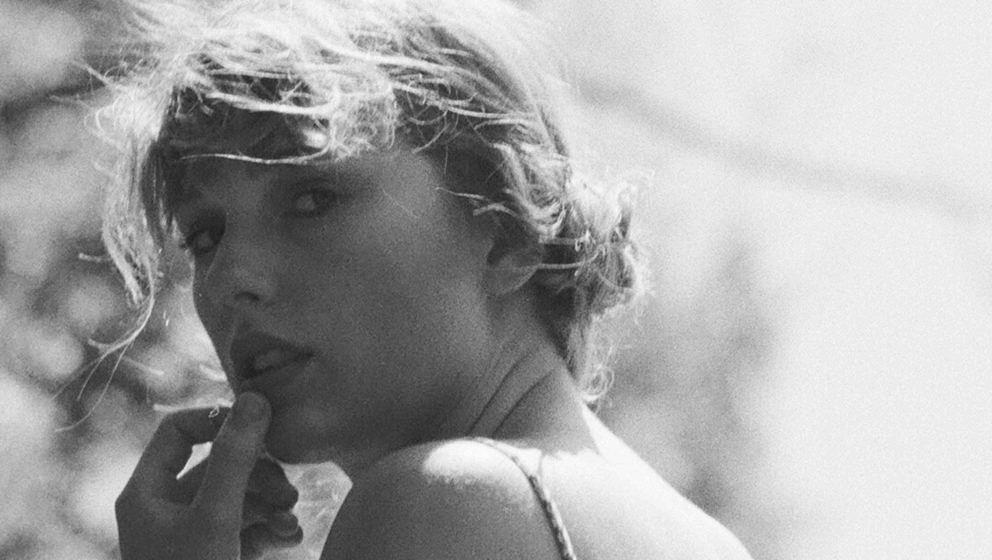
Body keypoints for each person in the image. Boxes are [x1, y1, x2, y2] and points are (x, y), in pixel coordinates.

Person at [104, 0, 755, 558]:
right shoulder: (709, 540)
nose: (230, 279)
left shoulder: (439, 502)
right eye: (205, 235)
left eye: (311, 199)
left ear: (504, 229)